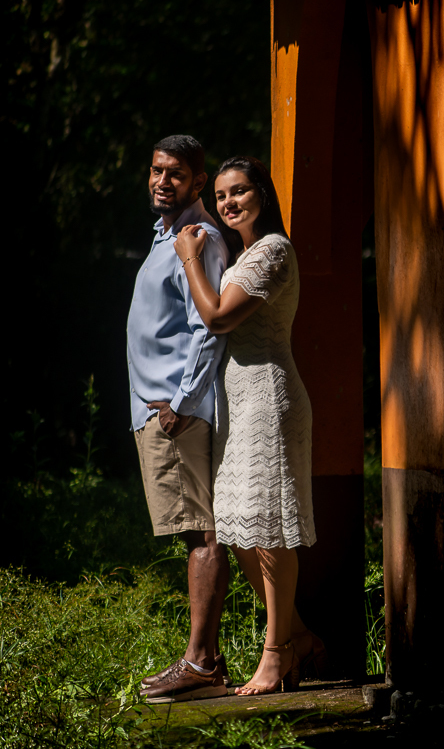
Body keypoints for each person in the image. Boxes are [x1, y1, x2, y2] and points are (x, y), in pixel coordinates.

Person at [173, 155, 323, 695]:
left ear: (262, 192)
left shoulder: (274, 251)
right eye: (220, 196)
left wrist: (190, 257)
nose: (228, 202)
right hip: (237, 407)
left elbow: (217, 316)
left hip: (270, 400)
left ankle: (276, 652)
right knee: (239, 528)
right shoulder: (244, 253)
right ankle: (301, 634)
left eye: (239, 191)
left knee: (269, 530)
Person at [128, 135, 232, 703]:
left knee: (201, 530)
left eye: (176, 174)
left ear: (197, 181)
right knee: (194, 529)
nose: (162, 181)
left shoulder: (199, 237)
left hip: (178, 414)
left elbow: (206, 327)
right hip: (163, 412)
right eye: (156, 170)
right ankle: (203, 659)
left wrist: (183, 403)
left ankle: (201, 662)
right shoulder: (166, 237)